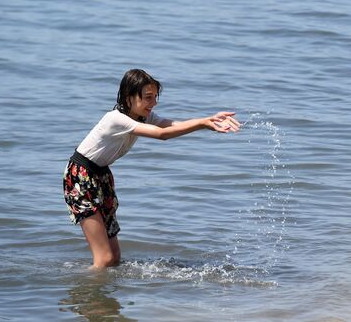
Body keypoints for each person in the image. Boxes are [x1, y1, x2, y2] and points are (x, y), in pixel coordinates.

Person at [63, 69, 241, 269]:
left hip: (101, 175)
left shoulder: (141, 116)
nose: (153, 103)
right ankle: (86, 295)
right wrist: (201, 123)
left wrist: (209, 120)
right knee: (104, 259)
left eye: (155, 97)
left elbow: (170, 124)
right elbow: (162, 134)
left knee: (114, 257)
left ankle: (106, 297)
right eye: (148, 97)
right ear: (129, 97)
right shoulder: (116, 119)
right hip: (80, 176)